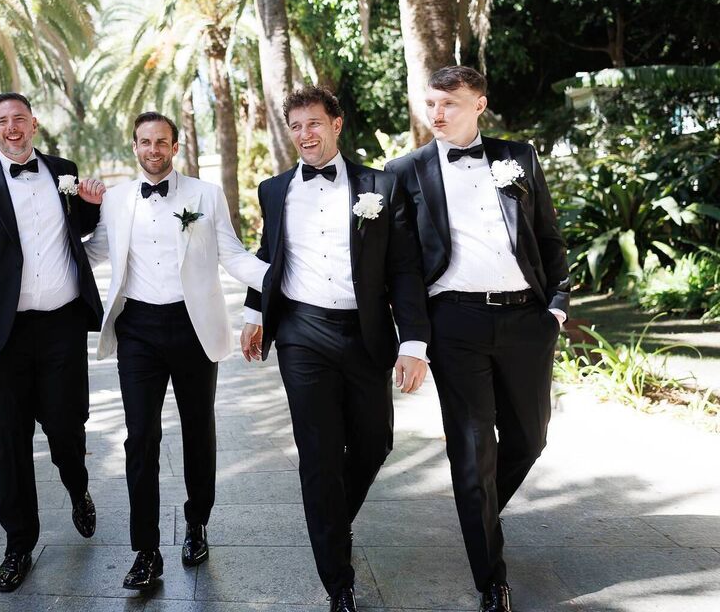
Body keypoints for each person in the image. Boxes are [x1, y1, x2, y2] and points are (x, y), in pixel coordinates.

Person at [385, 65, 569, 612]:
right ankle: (491, 578)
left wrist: (556, 309)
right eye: (431, 104)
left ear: (479, 104)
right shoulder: (406, 171)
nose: (437, 114)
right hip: (455, 326)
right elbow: (404, 269)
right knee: (472, 452)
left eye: (450, 104)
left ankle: (478, 510)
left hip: (526, 323)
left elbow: (548, 237)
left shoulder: (521, 158)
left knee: (529, 439)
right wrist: (413, 341)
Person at [241, 87, 430, 612]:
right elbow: (268, 254)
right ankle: (338, 582)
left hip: (365, 332)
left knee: (375, 442)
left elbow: (404, 270)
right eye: (295, 126)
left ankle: (328, 519)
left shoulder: (381, 186)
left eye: (314, 124)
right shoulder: (274, 190)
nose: (305, 135)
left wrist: (413, 342)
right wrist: (254, 313)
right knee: (320, 456)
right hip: (302, 332)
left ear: (337, 124)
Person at [84, 112, 269, 590]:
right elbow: (92, 252)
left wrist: (281, 282)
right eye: (144, 142)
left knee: (198, 431)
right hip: (138, 330)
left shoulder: (205, 195)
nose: (152, 150)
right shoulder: (119, 198)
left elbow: (230, 252)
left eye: (161, 142)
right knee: (139, 439)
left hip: (192, 328)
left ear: (175, 145)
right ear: (134, 145)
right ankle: (145, 551)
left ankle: (196, 523)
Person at [0, 92, 106, 592]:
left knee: (66, 426)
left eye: (19, 119)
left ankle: (78, 488)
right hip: (1, 332)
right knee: (8, 437)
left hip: (62, 324)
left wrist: (92, 210)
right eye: (1, 122)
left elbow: (79, 233)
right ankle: (18, 544)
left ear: (34, 123)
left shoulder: (64, 170)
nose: (12, 128)